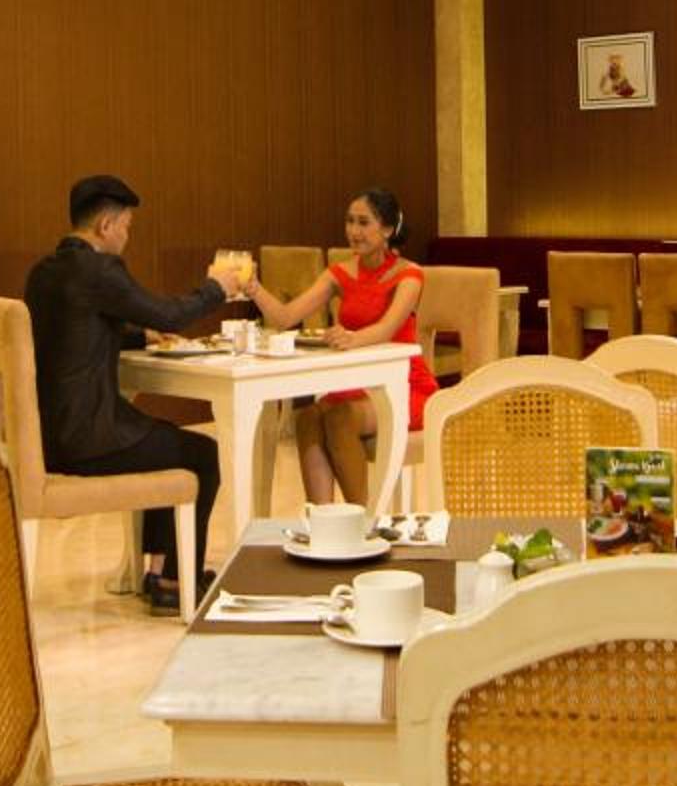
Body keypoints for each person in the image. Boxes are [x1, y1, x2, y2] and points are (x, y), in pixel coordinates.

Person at [25, 174, 244, 616]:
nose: (127, 236)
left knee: (166, 441)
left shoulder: (44, 273)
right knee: (200, 454)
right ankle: (174, 581)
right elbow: (168, 313)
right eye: (126, 226)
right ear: (106, 225)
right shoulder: (100, 270)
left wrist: (140, 336)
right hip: (87, 441)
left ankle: (159, 573)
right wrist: (216, 288)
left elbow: (72, 335)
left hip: (46, 439)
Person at [243, 188, 436, 507]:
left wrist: (351, 338)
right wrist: (254, 289)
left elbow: (387, 329)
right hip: (354, 384)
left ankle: (364, 522)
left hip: (403, 387)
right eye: (349, 221)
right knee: (307, 418)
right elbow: (285, 317)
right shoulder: (340, 273)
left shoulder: (409, 275)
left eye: (364, 222)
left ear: (387, 229)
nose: (354, 231)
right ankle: (325, 522)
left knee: (339, 418)